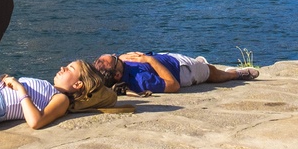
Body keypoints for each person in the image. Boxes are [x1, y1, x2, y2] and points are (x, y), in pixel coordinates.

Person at [93, 51, 259, 95]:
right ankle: (236, 74)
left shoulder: (118, 67)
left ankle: (201, 63)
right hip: (182, 69)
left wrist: (121, 57)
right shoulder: (141, 81)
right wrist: (150, 61)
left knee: (204, 66)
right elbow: (173, 85)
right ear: (116, 75)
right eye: (115, 58)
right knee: (213, 73)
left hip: (166, 58)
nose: (118, 56)